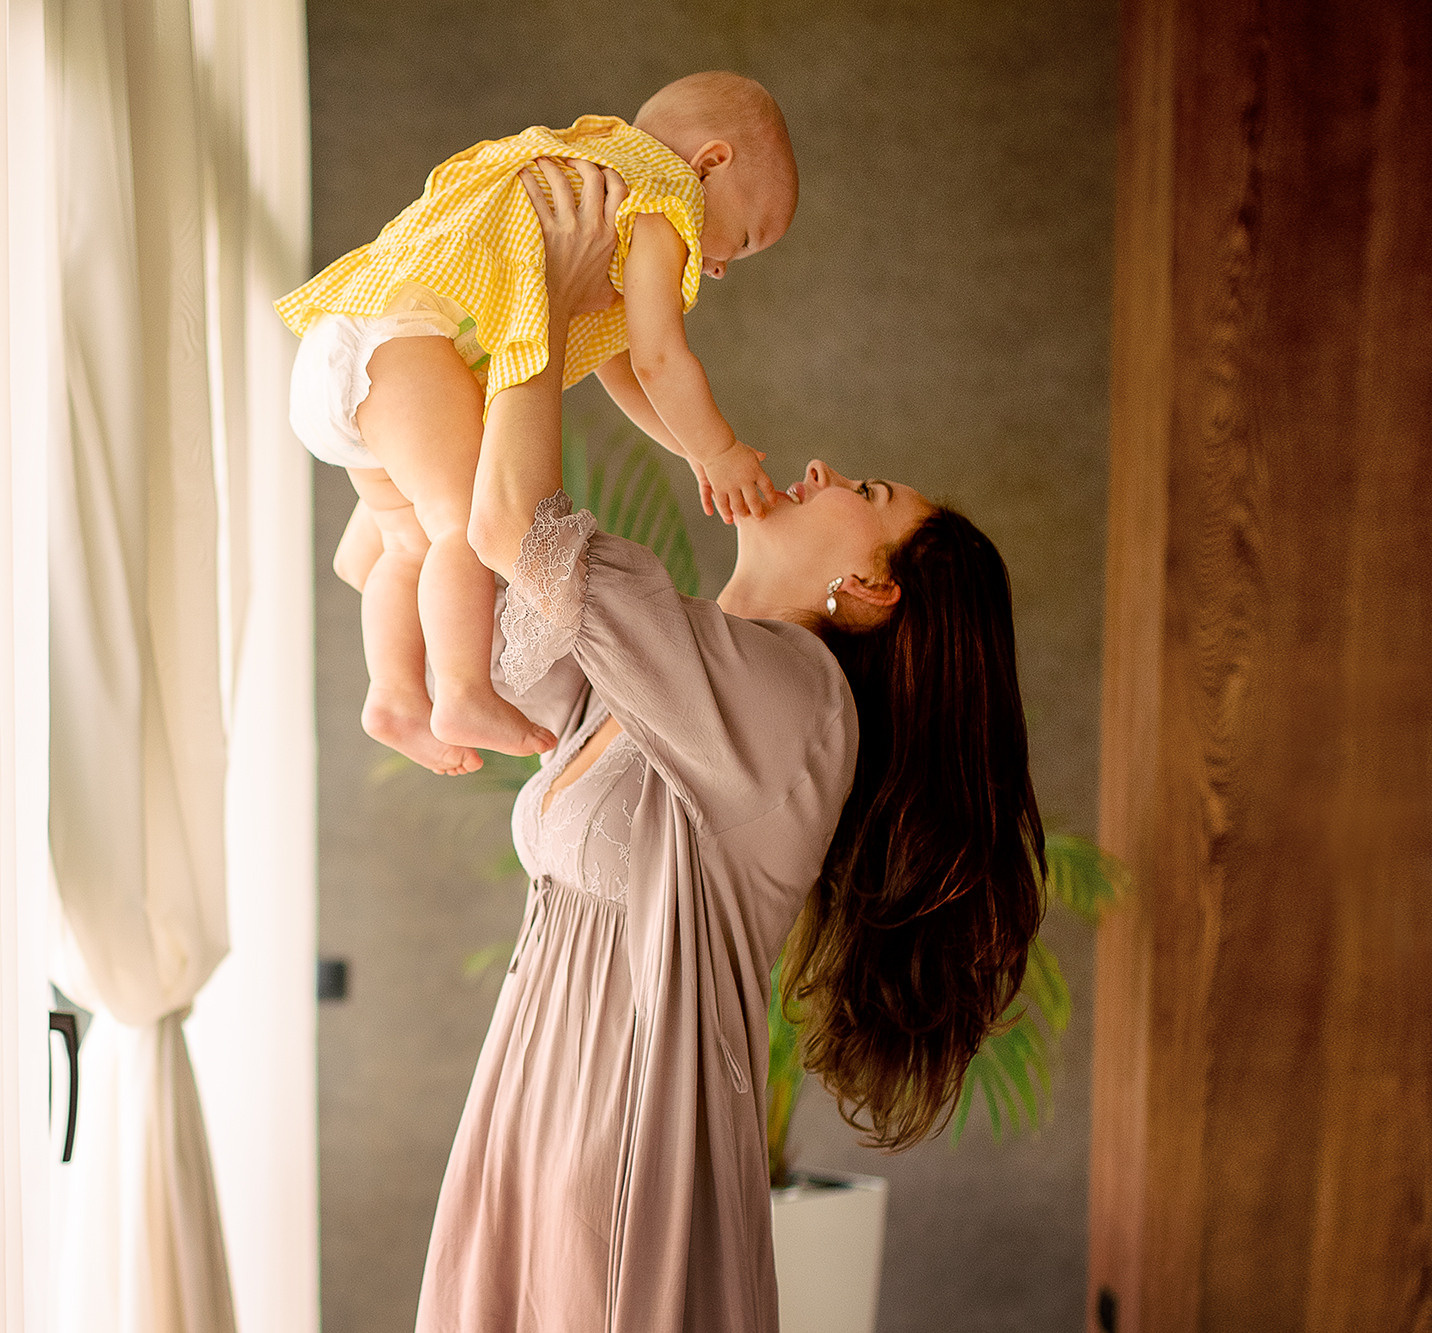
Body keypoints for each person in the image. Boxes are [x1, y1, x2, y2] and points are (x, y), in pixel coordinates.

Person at [404, 158, 1045, 1332]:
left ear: (869, 586)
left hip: (611, 1151)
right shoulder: (673, 669)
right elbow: (502, 640)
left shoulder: (796, 702)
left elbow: (511, 525)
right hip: (531, 1115)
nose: (813, 468)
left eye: (861, 486)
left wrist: (539, 288)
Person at [279, 72, 798, 777]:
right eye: (743, 237)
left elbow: (620, 365)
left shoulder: (599, 167)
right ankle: (462, 690)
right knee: (459, 528)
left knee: (410, 542)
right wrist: (723, 446)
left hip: (352, 347)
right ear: (710, 163)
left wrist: (694, 454)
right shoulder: (662, 197)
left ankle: (394, 696)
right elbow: (658, 357)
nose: (724, 266)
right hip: (402, 346)